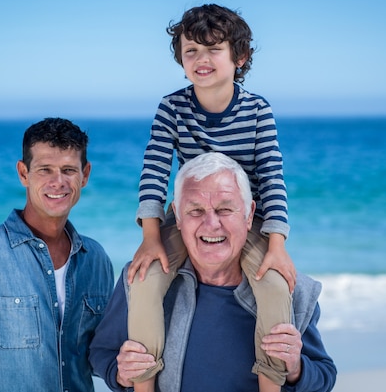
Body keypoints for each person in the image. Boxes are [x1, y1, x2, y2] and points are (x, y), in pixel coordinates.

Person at [128, 4, 296, 392]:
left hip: (243, 220)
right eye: (191, 51)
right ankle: (143, 385)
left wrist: (277, 244)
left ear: (240, 57)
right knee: (144, 280)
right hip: (189, 215)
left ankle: (271, 384)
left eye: (213, 49)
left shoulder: (257, 110)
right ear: (181, 60)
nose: (201, 60)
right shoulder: (172, 108)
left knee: (273, 285)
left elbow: (272, 177)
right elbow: (153, 173)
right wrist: (151, 238)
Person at [90, 152, 336, 392]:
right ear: (177, 216)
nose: (211, 224)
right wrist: (120, 373)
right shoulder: (140, 277)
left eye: (225, 210)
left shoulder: (291, 289)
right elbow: (101, 353)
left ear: (249, 215)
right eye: (195, 211)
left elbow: (325, 375)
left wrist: (295, 368)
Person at [0, 118, 114, 392]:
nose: (58, 182)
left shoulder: (96, 259)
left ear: (85, 174)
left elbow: (96, 354)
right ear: (23, 173)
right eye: (45, 170)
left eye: (68, 170)